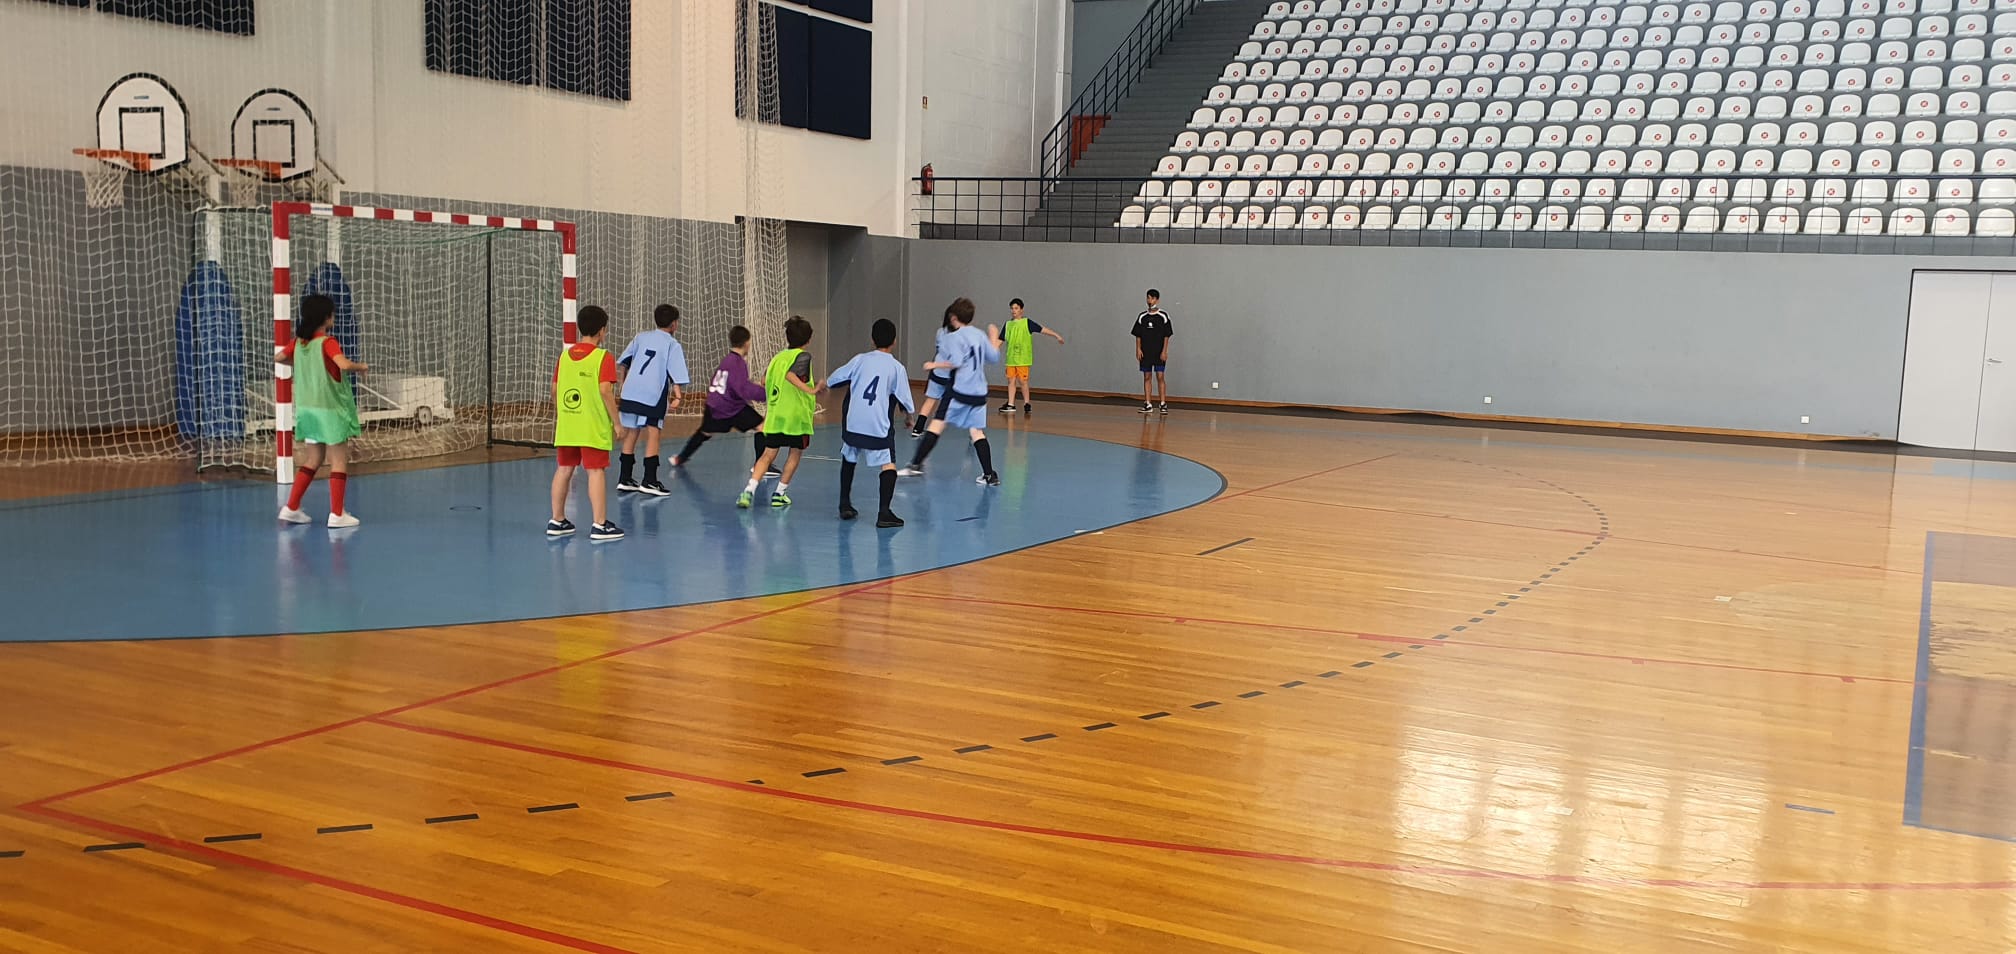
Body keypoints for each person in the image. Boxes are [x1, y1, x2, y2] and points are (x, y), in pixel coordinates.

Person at [278, 294, 367, 528]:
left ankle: (291, 507)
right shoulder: (327, 342)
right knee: (338, 460)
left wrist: (300, 364)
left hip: (308, 411)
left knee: (313, 459)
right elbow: (343, 364)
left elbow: (279, 357)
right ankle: (337, 514)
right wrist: (361, 366)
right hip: (329, 410)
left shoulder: (299, 343)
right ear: (326, 318)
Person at [899, 298, 1002, 485]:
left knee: (937, 425)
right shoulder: (979, 334)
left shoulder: (954, 337)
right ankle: (989, 475)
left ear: (953, 318)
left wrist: (934, 365)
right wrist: (993, 337)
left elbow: (956, 362)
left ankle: (915, 465)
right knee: (977, 432)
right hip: (979, 392)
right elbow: (994, 357)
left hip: (960, 391)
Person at [825, 318, 915, 528]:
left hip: (853, 425)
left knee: (849, 456)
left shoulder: (859, 360)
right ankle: (884, 512)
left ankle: (844, 504)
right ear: (894, 341)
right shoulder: (897, 367)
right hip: (878, 428)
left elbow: (833, 380)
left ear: (872, 340)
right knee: (888, 463)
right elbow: (905, 401)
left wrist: (823, 385)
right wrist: (909, 418)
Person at [548, 305, 627, 540]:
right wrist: (617, 422)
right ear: (602, 331)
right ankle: (600, 524)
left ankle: (557, 520)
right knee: (595, 471)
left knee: (564, 469)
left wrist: (563, 413)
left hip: (568, 424)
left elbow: (554, 389)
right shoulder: (603, 357)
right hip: (592, 426)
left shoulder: (564, 356)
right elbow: (605, 391)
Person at [739, 316, 819, 509]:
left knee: (767, 455)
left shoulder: (777, 358)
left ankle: (748, 490)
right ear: (808, 339)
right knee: (795, 452)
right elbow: (792, 376)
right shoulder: (803, 357)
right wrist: (812, 390)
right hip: (796, 417)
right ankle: (779, 494)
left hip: (775, 416)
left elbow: (763, 381)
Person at [615, 304, 689, 496]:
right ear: (674, 324)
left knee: (632, 432)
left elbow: (623, 362)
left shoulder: (640, 337)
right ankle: (650, 480)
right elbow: (675, 373)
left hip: (630, 392)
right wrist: (678, 396)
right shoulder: (672, 344)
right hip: (651, 395)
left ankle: (625, 477)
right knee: (654, 433)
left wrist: (623, 385)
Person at [670, 324, 767, 470]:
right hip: (731, 407)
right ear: (747, 343)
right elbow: (742, 389)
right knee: (762, 427)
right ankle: (760, 465)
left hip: (713, 404)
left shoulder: (727, 360)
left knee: (705, 432)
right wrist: (765, 394)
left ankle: (680, 458)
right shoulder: (738, 363)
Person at [998, 297, 1065, 416]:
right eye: (1012, 308)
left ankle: (1027, 403)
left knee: (1023, 381)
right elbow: (1000, 339)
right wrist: (992, 349)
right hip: (1011, 358)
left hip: (1023, 359)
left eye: (1016, 308)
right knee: (1011, 381)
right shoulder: (1008, 325)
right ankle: (1011, 404)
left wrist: (1056, 335)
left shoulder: (1027, 323)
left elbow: (1042, 329)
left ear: (1021, 310)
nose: (1013, 311)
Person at [909, 311, 955, 438]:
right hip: (950, 374)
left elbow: (938, 350)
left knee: (930, 400)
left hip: (937, 372)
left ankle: (918, 428)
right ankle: (975, 433)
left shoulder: (940, 332)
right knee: (965, 402)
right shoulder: (961, 335)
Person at [1133, 288, 1174, 415]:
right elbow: (1138, 335)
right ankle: (1148, 403)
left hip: (1158, 352)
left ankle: (1162, 403)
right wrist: (1138, 349)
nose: (1149, 300)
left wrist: (1164, 351)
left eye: (1152, 298)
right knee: (1147, 376)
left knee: (1160, 376)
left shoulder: (1163, 316)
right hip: (1146, 352)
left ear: (1157, 300)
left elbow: (1167, 335)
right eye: (1148, 298)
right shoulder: (1142, 316)